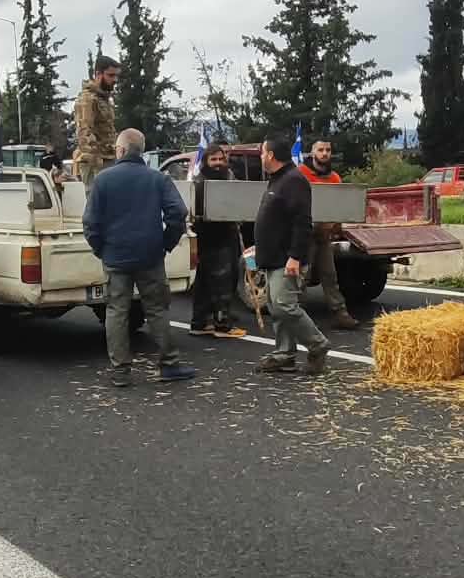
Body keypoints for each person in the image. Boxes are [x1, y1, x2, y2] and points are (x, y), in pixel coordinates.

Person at [83, 128, 195, 388]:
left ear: (120, 150)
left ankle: (121, 371)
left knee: (117, 311)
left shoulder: (103, 180)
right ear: (141, 151)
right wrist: (166, 243)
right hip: (150, 255)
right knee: (157, 309)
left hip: (115, 256)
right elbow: (178, 214)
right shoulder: (157, 179)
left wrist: (101, 248)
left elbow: (90, 223)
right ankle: (169, 364)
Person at [254, 133, 330, 375]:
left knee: (285, 305)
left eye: (263, 152)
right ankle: (284, 353)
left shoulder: (293, 180)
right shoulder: (277, 179)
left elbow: (302, 222)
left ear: (272, 155)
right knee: (277, 307)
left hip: (286, 258)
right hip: (273, 256)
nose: (261, 156)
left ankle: (317, 345)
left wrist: (295, 256)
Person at [187, 143, 246, 339]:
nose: (218, 163)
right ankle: (222, 325)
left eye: (221, 159)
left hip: (227, 234)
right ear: (206, 161)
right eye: (214, 159)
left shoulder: (229, 177)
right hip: (211, 238)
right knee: (221, 281)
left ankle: (200, 322)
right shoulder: (199, 182)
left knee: (205, 282)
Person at [299, 138, 359, 330]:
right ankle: (297, 315)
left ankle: (339, 313)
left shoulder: (334, 178)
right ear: (312, 152)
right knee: (302, 276)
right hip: (304, 234)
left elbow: (338, 206)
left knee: (329, 275)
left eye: (327, 150)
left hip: (323, 235)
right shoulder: (301, 173)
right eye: (320, 150)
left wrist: (334, 226)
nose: (324, 153)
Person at [72, 56, 121, 184]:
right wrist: (96, 164)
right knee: (97, 202)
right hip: (96, 162)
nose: (115, 80)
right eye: (110, 75)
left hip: (108, 159)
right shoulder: (88, 99)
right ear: (98, 74)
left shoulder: (103, 99)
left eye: (116, 76)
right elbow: (84, 133)